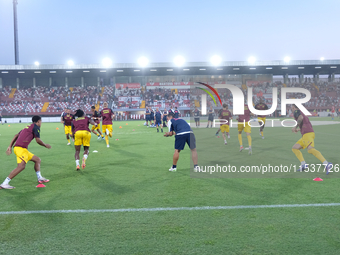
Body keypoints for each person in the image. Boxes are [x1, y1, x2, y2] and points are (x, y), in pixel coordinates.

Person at [0, 116, 51, 189]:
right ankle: (4, 183)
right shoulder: (36, 127)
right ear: (38, 121)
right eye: (41, 121)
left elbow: (16, 135)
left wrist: (10, 146)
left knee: (37, 160)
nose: (41, 123)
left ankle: (40, 178)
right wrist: (45, 145)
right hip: (20, 149)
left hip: (22, 149)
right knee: (21, 166)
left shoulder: (28, 127)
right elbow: (38, 140)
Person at [291, 104, 332, 173]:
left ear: (296, 108)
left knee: (310, 150)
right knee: (295, 148)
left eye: (292, 108)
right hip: (306, 134)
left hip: (307, 135)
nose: (292, 109)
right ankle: (303, 165)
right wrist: (298, 129)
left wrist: (295, 127)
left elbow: (300, 118)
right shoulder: (301, 113)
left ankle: (327, 164)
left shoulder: (297, 112)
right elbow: (306, 124)